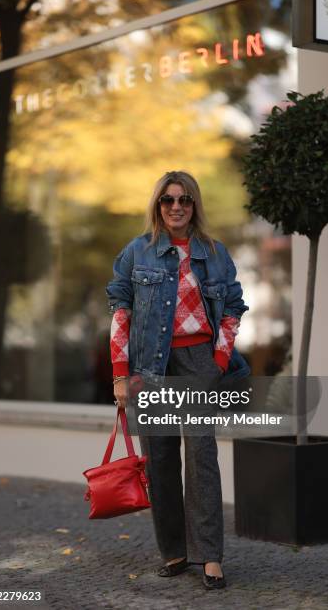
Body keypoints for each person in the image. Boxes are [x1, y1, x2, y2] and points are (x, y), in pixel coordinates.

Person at [106, 170, 249, 590]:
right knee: (161, 458)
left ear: (194, 205)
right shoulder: (138, 252)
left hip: (199, 361)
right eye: (168, 200)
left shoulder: (215, 252)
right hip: (152, 364)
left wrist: (219, 357)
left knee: (202, 456)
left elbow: (233, 308)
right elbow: (120, 314)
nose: (176, 207)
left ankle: (209, 556)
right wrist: (119, 373)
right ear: (158, 205)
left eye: (184, 200)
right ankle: (174, 551)